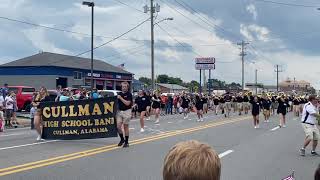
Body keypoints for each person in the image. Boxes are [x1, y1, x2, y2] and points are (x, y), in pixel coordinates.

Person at [116, 82, 133, 148]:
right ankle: (122, 139)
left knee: (125, 127)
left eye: (125, 86)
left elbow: (128, 103)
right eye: (123, 86)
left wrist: (120, 98)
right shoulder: (119, 94)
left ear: (127, 87)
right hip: (120, 111)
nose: (124, 88)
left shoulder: (129, 94)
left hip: (127, 111)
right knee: (118, 126)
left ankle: (126, 142)